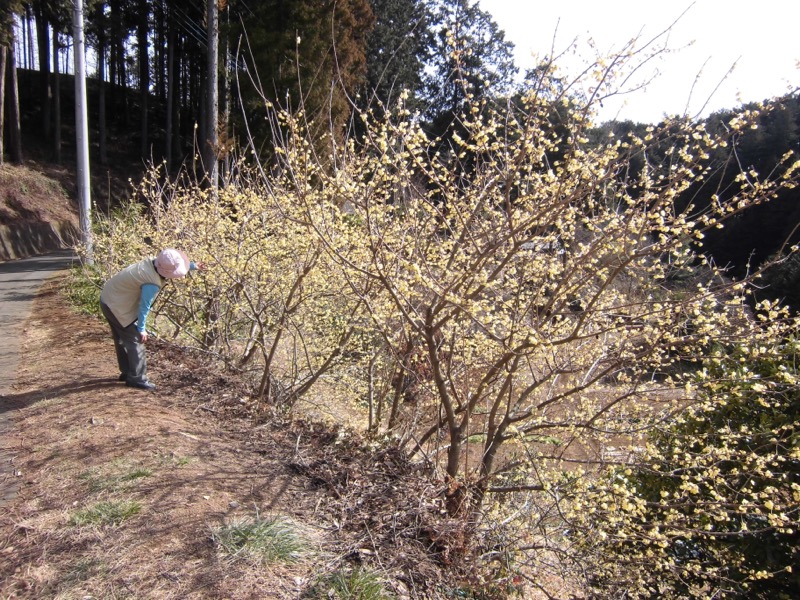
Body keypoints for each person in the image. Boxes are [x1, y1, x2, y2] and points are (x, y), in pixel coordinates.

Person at [99, 248, 202, 391]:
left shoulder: (153, 262)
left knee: (122, 338)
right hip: (116, 306)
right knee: (135, 339)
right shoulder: (151, 283)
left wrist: (192, 266)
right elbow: (144, 306)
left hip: (108, 298)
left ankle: (128, 372)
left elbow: (170, 265)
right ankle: (137, 379)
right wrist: (141, 329)